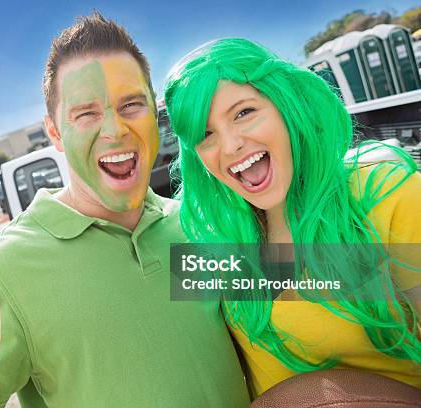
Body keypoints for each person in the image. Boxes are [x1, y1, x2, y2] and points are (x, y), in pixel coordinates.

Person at [0, 15, 249, 408]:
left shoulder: (193, 224)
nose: (115, 129)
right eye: (86, 113)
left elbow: (324, 279)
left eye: (131, 105)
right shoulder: (5, 270)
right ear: (54, 132)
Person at [164, 38, 420, 399]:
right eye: (205, 135)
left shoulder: (385, 197)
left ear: (285, 105)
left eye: (243, 112)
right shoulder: (218, 239)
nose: (230, 145)